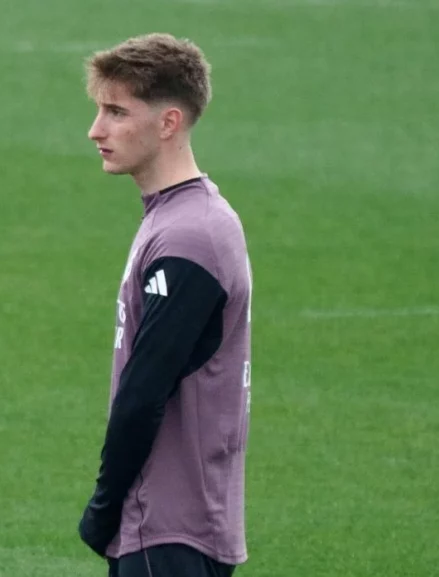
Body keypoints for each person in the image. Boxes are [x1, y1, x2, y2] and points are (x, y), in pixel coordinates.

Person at [77, 34, 253, 577]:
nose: (96, 130)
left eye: (115, 112)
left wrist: (104, 508)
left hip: (167, 528)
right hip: (175, 524)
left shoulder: (189, 236)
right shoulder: (178, 218)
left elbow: (144, 391)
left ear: (168, 123)